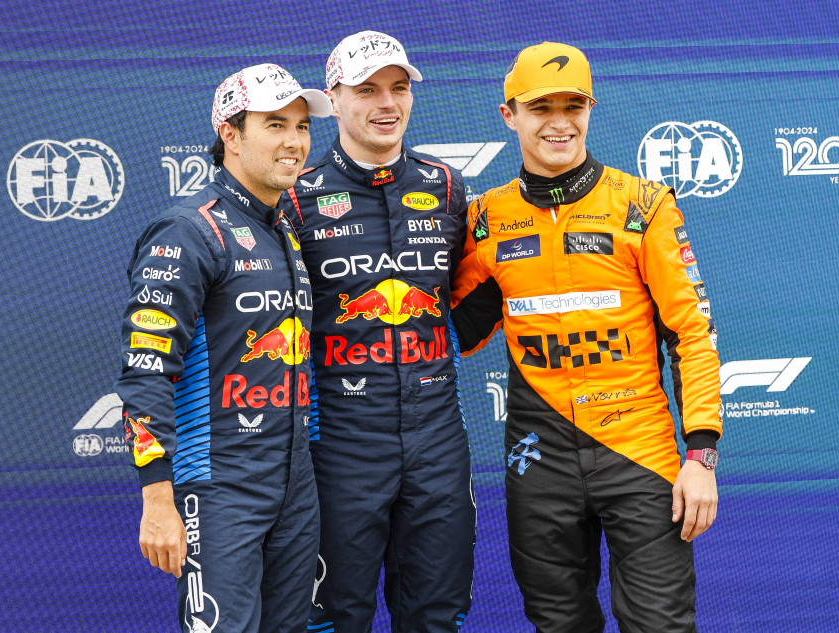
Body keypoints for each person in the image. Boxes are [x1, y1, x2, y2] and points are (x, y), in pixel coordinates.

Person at [450, 42, 723, 633]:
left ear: (590, 110)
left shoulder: (643, 206)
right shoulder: (487, 220)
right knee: (558, 623)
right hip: (539, 457)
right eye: (540, 107)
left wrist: (701, 455)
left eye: (572, 106)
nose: (559, 122)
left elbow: (691, 333)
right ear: (509, 115)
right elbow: (454, 333)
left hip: (638, 453)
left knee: (660, 625)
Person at [115, 63, 332, 633]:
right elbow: (145, 372)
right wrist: (156, 497)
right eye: (275, 125)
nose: (295, 142)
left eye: (303, 126)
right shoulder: (188, 230)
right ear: (230, 135)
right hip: (218, 485)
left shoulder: (284, 227)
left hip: (294, 484)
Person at [280, 30, 475, 633]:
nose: (387, 103)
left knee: (436, 615)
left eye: (398, 88)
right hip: (341, 441)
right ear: (334, 100)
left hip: (437, 437)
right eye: (367, 90)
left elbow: (470, 301)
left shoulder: (447, 187)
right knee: (335, 616)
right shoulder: (295, 197)